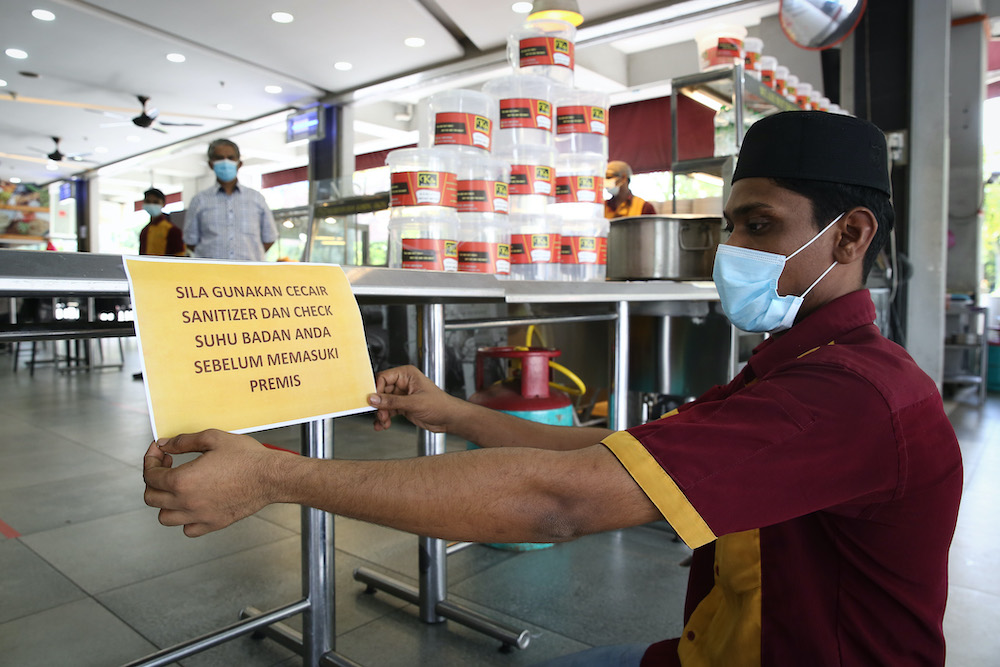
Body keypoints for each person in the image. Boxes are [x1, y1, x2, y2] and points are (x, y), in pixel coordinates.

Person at [143, 112, 962, 666]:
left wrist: (274, 475)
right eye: (728, 226)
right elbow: (613, 453)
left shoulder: (852, 396)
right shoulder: (794, 365)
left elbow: (559, 501)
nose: (730, 251)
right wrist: (452, 410)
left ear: (851, 235)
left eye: (757, 226)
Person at [182, 139, 278, 261]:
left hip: (249, 274)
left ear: (239, 163)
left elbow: (269, 237)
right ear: (211, 164)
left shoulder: (256, 198)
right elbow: (190, 240)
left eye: (230, 158)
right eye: (219, 158)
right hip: (212, 274)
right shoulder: (199, 200)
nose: (225, 162)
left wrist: (251, 255)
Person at [138, 188, 185, 256]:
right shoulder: (145, 231)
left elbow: (179, 257)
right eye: (148, 201)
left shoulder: (173, 230)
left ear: (163, 204)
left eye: (155, 202)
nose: (151, 205)